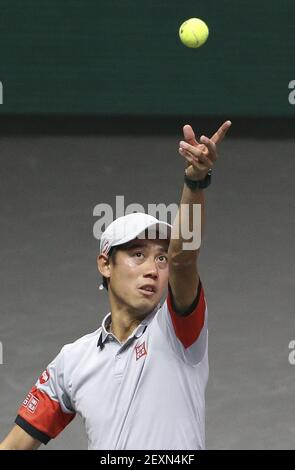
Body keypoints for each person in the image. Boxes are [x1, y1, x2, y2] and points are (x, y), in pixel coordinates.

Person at [0, 121, 231, 450]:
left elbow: (184, 259)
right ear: (105, 264)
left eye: (160, 258)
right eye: (138, 254)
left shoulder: (179, 331)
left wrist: (194, 181)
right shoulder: (71, 362)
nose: (153, 268)